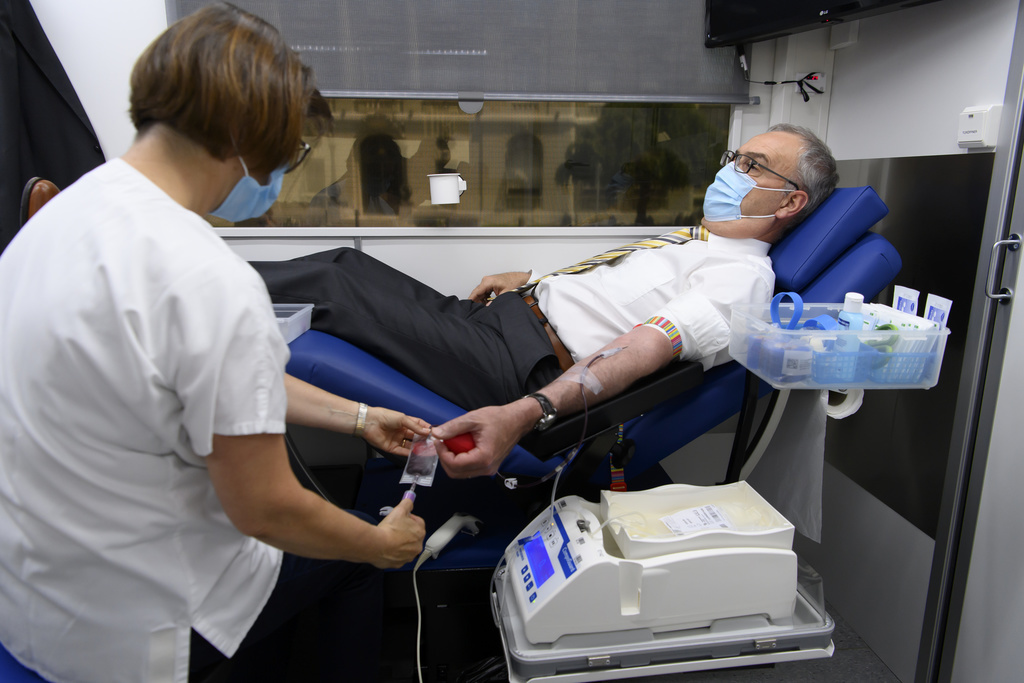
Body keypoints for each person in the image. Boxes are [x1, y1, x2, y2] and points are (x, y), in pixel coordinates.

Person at [0, 5, 429, 683]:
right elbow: (264, 507)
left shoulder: (64, 215)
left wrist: (359, 416)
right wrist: (376, 543)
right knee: (349, 564)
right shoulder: (207, 276)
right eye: (291, 152)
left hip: (33, 598)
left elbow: (201, 376)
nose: (287, 170)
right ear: (242, 134)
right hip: (134, 628)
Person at [256, 124, 838, 476]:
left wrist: (527, 411)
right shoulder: (697, 244)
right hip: (505, 320)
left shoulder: (741, 281)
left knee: (333, 284)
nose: (732, 171)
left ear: (789, 204)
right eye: (735, 158)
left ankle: (177, 303)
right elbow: (616, 297)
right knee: (350, 262)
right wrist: (533, 282)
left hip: (516, 366)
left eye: (752, 166)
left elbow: (641, 347)